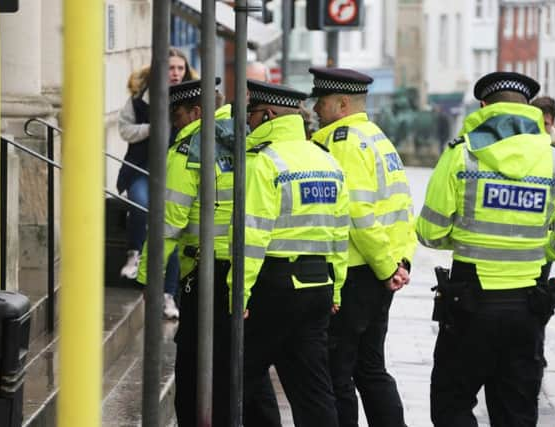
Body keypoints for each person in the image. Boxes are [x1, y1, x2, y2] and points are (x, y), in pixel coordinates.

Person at [416, 71, 555, 427]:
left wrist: (462, 238)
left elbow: (431, 232)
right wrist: (536, 250)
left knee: (452, 404)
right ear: (529, 109)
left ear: (483, 107)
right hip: (527, 307)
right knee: (516, 411)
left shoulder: (462, 156)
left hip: (468, 305)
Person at [237, 79, 350, 427]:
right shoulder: (326, 160)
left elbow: (252, 237)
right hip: (317, 287)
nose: (248, 123)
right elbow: (339, 233)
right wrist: (337, 289)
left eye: (252, 115)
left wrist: (237, 294)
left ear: (268, 115)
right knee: (313, 389)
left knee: (236, 379)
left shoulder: (265, 163)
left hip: (274, 288)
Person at [308, 67, 417, 427]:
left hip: (357, 273)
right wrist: (399, 265)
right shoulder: (377, 137)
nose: (315, 109)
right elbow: (402, 209)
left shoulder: (343, 141)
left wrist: (387, 267)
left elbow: (358, 213)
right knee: (370, 368)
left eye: (321, 102)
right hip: (381, 272)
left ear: (341, 104)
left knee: (338, 373)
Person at [136, 78, 236, 426]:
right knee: (236, 364)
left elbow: (168, 223)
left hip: (205, 272)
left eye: (177, 116)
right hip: (247, 268)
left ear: (196, 111)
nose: (174, 124)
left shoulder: (189, 149)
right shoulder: (245, 138)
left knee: (193, 362)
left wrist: (151, 278)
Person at [117, 47, 193, 319]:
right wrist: (152, 127)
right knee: (139, 203)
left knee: (170, 233)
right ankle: (134, 254)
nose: (175, 73)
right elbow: (124, 129)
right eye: (171, 68)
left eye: (180, 69)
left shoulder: (190, 100)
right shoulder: (140, 99)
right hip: (141, 167)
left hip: (174, 173)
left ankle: (168, 295)